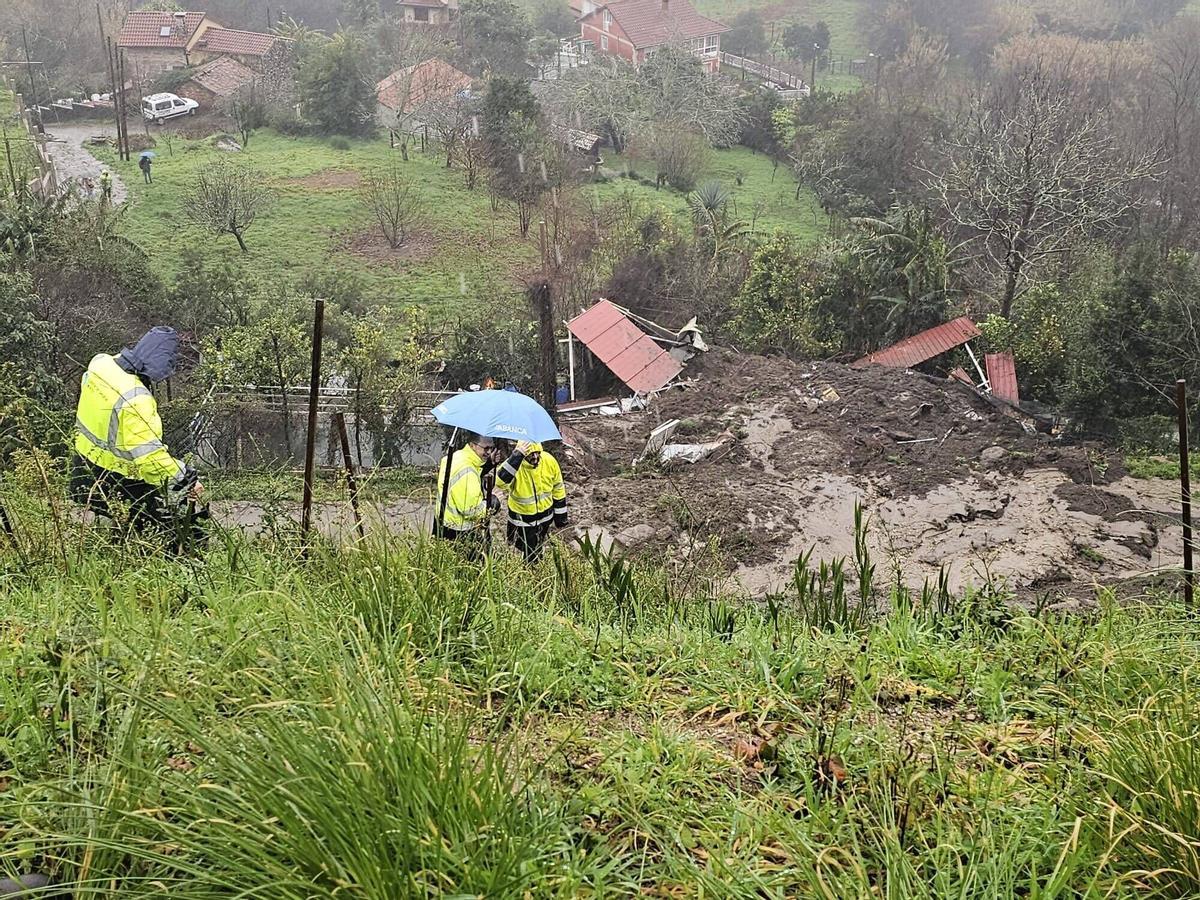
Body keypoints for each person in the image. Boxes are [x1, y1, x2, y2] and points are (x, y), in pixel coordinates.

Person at [71, 327, 203, 540]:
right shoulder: (136, 399)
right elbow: (150, 459)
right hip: (120, 478)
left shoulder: (101, 364)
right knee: (178, 534)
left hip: (85, 466)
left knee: (126, 530)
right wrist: (186, 479)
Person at [495, 440, 568, 562]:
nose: (535, 457)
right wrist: (516, 457)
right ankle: (526, 571)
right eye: (530, 454)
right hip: (522, 520)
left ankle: (533, 569)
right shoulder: (514, 465)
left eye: (537, 453)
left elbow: (558, 487)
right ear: (522, 454)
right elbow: (500, 482)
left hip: (545, 517)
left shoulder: (549, 460)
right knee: (522, 548)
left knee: (537, 546)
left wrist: (561, 517)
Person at [433, 433, 500, 550]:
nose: (489, 452)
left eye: (492, 448)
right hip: (459, 531)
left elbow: (467, 477)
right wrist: (493, 503)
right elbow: (471, 511)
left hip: (442, 521)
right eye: (486, 448)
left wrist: (489, 464)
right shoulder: (468, 472)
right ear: (473, 445)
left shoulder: (457, 456)